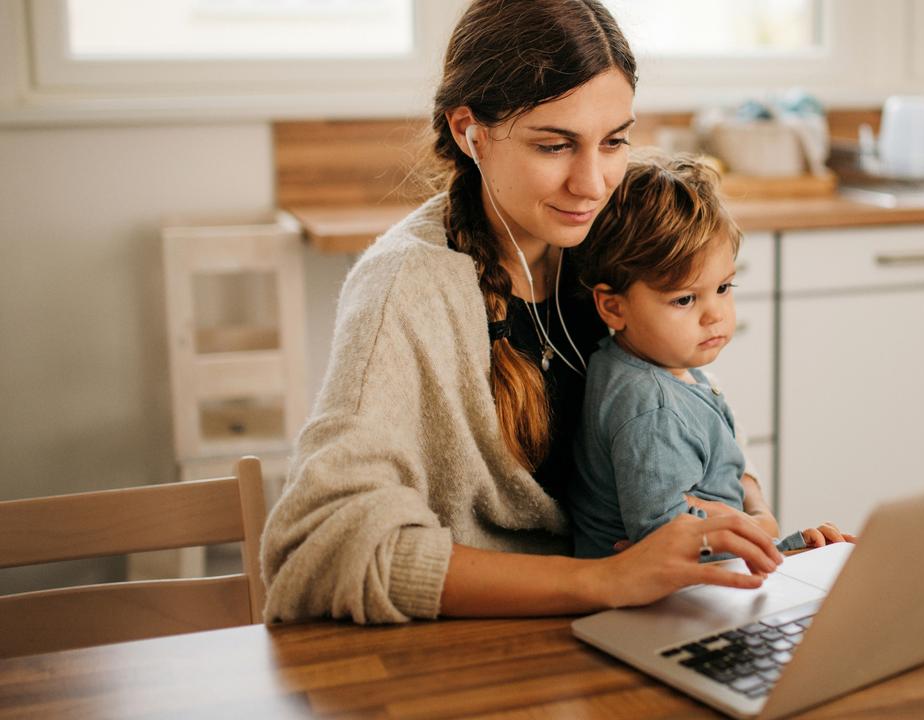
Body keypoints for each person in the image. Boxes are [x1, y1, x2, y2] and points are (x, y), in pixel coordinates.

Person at [260, 0, 789, 624]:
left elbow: (683, 410)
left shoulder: (610, 231)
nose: (592, 183)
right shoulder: (407, 286)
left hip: (642, 622)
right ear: (470, 132)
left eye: (614, 141)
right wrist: (604, 581)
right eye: (555, 145)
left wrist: (754, 515)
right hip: (490, 653)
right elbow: (324, 544)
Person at [569, 154, 852, 560]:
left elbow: (715, 490)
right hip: (668, 602)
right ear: (614, 307)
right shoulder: (653, 406)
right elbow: (667, 542)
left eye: (723, 287)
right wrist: (777, 543)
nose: (715, 314)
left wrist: (755, 516)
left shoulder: (658, 366)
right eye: (684, 299)